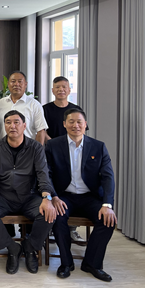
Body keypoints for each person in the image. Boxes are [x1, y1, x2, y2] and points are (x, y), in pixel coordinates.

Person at [0, 110, 56, 275]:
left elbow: (43, 174)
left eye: (16, 122)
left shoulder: (35, 147)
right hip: (3, 196)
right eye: (8, 122)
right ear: (4, 126)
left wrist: (47, 198)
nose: (12, 126)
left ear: (24, 126)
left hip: (29, 196)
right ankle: (12, 247)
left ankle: (30, 247)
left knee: (48, 213)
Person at [45, 108, 116, 282]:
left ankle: (92, 263)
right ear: (64, 124)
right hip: (64, 196)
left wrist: (107, 205)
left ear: (85, 125)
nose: (75, 125)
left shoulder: (98, 147)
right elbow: (47, 174)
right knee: (57, 217)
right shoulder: (53, 145)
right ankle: (66, 263)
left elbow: (108, 177)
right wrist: (53, 197)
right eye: (71, 122)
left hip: (90, 196)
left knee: (108, 220)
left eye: (79, 122)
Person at [42, 75, 87, 244]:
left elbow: (81, 132)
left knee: (74, 187)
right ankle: (53, 228)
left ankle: (72, 229)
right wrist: (55, 144)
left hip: (74, 154)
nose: (61, 90)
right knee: (55, 186)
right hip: (52, 152)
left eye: (64, 87)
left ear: (69, 90)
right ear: (52, 90)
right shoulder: (45, 109)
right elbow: (42, 130)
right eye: (57, 87)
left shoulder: (76, 109)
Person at [0, 71, 48, 145]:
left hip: (27, 149)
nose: (16, 84)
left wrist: (37, 150)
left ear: (25, 84)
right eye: (13, 81)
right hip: (3, 149)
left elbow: (41, 130)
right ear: (8, 84)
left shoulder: (34, 105)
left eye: (20, 81)